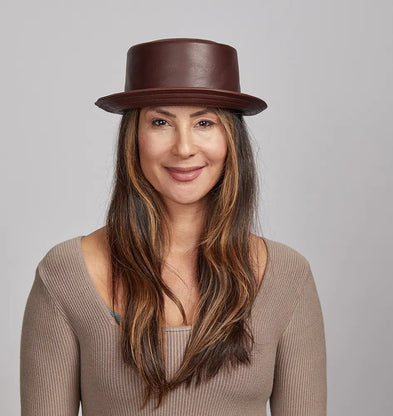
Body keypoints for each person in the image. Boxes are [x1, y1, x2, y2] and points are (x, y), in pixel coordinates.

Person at [20, 38, 327, 415]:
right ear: (134, 138)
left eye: (204, 122)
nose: (183, 147)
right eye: (161, 122)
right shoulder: (67, 272)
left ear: (231, 139)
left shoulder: (287, 275)